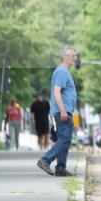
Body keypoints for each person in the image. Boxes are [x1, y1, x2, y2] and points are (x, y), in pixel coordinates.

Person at [37, 46, 77, 176]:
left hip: (64, 111)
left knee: (64, 140)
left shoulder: (63, 71)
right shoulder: (62, 71)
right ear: (65, 57)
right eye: (73, 56)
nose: (75, 58)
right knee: (64, 140)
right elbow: (56, 91)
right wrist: (63, 110)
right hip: (62, 112)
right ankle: (45, 160)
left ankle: (60, 168)